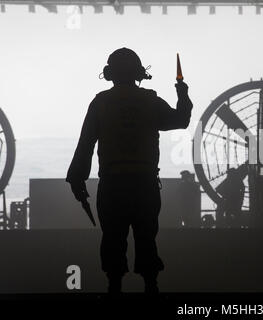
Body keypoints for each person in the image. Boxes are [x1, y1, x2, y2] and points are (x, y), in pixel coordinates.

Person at [66, 48, 193, 294]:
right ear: (139, 73)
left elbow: (85, 144)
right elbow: (180, 120)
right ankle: (150, 286)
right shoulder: (150, 101)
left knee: (113, 240)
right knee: (147, 239)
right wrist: (182, 93)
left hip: (113, 187)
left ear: (109, 73)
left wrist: (77, 179)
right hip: (144, 186)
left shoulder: (100, 103)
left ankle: (114, 289)